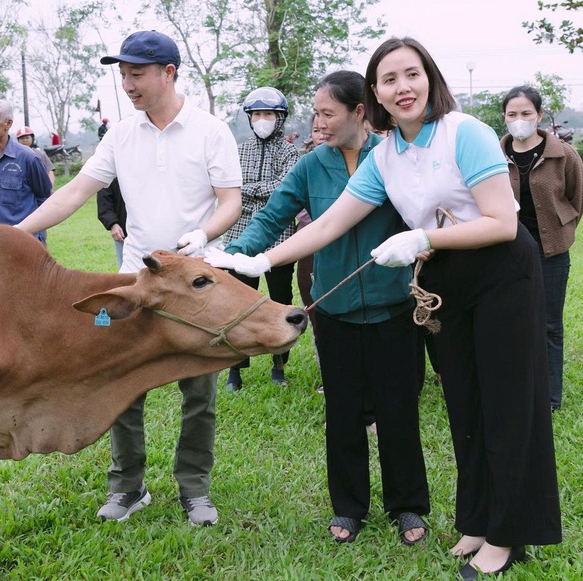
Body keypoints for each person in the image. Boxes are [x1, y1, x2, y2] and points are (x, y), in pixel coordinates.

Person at [208, 37, 560, 577]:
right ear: (375, 94)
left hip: (502, 275)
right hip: (447, 280)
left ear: (430, 78)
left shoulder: (465, 132)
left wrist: (423, 239)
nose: (403, 88)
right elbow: (329, 224)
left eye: (411, 74)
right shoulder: (387, 154)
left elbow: (502, 223)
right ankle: (478, 520)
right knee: (464, 404)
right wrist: (260, 260)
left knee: (506, 406)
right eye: (389, 79)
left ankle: (508, 535)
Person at [15, 30, 242, 527]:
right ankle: (127, 487)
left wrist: (201, 235)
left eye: (136, 74)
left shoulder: (210, 130)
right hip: (136, 279)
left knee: (199, 393)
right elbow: (76, 192)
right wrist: (15, 234)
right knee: (123, 387)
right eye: (123, 75)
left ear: (168, 73)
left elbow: (231, 202)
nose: (128, 84)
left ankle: (194, 490)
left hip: (196, 283)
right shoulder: (120, 134)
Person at [208, 70, 431, 547]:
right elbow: (272, 217)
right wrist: (236, 256)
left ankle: (408, 505)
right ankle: (349, 508)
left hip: (394, 308)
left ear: (360, 112)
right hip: (333, 309)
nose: (320, 122)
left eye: (329, 113)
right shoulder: (312, 165)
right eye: (316, 113)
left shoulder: (396, 157)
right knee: (344, 411)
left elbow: (429, 213)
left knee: (398, 411)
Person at [500, 85, 583, 410]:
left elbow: (580, 198)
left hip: (551, 250)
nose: (519, 120)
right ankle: (518, 387)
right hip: (507, 252)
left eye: (526, 113)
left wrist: (560, 230)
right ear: (504, 118)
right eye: (512, 114)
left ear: (538, 116)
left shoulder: (563, 154)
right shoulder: (496, 157)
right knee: (512, 320)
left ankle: (550, 397)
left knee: (550, 323)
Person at [223, 86, 300, 391]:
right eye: (257, 114)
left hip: (280, 240)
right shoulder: (239, 150)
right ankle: (234, 370)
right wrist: (255, 188)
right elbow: (231, 186)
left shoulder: (290, 152)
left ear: (279, 118)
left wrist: (250, 188)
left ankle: (279, 363)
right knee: (237, 303)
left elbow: (284, 189)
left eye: (268, 114)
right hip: (241, 236)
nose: (262, 119)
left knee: (280, 300)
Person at [0, 99, 53, 244]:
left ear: (8, 124)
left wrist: (37, 236)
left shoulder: (29, 158)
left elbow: (45, 199)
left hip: (25, 242)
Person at [96, 178, 127, 267]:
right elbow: (104, 201)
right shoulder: (112, 173)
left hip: (153, 231)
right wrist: (113, 224)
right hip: (124, 231)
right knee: (127, 273)